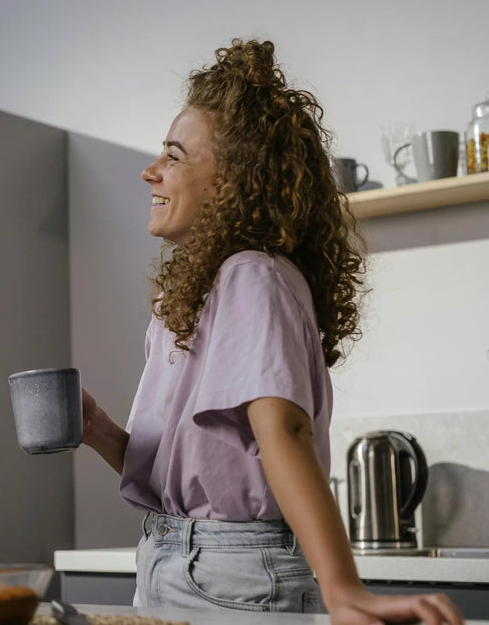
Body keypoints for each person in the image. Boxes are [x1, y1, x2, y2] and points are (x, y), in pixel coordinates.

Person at [80, 39, 464, 625]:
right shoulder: (190, 298)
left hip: (230, 575)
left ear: (234, 180)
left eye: (174, 156)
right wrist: (100, 431)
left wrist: (344, 592)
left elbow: (282, 427)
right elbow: (191, 472)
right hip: (169, 558)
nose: (149, 171)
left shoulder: (251, 275)